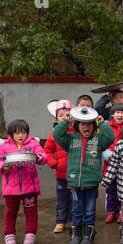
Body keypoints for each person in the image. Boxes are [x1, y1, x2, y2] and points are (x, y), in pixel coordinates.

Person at [53, 109, 115, 244]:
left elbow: (110, 137)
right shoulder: (71, 139)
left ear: (94, 126)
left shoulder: (98, 140)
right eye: (82, 124)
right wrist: (66, 120)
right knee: (76, 210)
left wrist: (102, 123)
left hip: (91, 184)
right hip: (75, 183)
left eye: (89, 124)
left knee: (89, 210)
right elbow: (57, 134)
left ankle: (88, 234)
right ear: (76, 125)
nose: (86, 127)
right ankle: (76, 234)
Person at [0, 119, 47, 244]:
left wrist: (39, 159)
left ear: (27, 133)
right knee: (10, 212)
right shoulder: (4, 146)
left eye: (23, 132)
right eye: (17, 133)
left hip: (30, 188)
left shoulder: (33, 144)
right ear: (11, 134)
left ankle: (30, 235)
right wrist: (3, 167)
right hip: (11, 189)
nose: (20, 136)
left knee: (31, 212)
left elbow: (43, 155)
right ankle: (9, 236)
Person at [44, 100, 74, 233]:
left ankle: (74, 220)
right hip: (61, 173)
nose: (65, 117)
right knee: (62, 199)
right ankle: (60, 221)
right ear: (56, 118)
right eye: (61, 115)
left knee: (75, 199)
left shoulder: (77, 132)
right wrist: (52, 162)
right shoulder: (54, 134)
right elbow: (47, 150)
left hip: (76, 172)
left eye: (67, 114)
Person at [102, 104, 123, 224]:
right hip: (109, 163)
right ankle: (111, 211)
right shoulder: (106, 126)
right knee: (111, 190)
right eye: (117, 112)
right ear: (112, 114)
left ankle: (122, 212)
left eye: (122, 113)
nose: (120, 115)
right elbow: (102, 142)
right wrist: (106, 153)